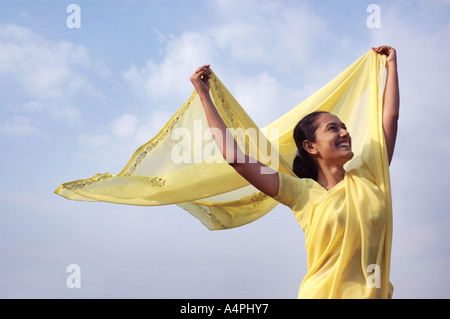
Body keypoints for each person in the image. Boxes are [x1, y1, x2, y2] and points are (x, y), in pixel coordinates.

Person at [189, 45, 399, 298]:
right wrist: (204, 97)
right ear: (311, 146)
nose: (345, 133)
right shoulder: (300, 192)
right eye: (333, 129)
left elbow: (390, 117)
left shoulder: (369, 176)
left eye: (344, 127)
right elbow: (237, 159)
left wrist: (391, 67)